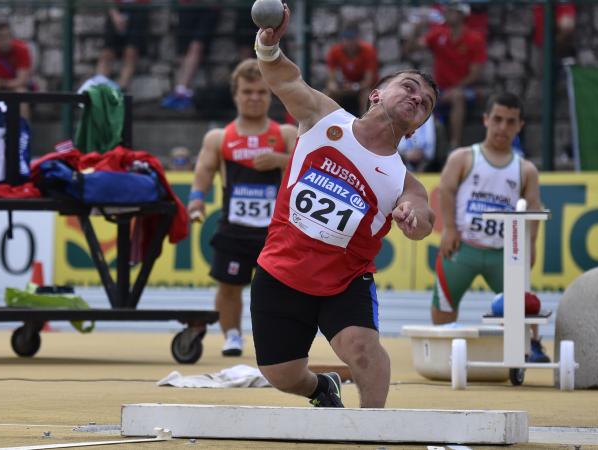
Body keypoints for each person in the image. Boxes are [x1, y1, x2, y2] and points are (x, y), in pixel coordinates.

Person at [252, 5, 438, 408]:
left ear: (419, 126)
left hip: (343, 280)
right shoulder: (324, 118)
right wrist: (268, 46)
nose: (417, 97)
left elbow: (424, 216)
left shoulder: (402, 179)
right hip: (282, 268)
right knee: (280, 373)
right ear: (376, 93)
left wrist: (412, 218)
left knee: (363, 350)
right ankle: (322, 389)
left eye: (425, 102)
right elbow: (285, 79)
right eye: (409, 87)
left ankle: (372, 434)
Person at [187, 59, 298, 357]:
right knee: (228, 286)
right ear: (236, 95)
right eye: (247, 91)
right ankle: (232, 336)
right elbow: (204, 171)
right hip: (234, 228)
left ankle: (276, 340)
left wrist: (279, 161)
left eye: (261, 92)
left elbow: (309, 169)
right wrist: (196, 199)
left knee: (279, 290)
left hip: (274, 230)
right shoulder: (220, 137)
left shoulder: (285, 134)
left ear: (269, 96)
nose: (254, 98)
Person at [433, 92, 550, 363]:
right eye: (497, 119)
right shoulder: (463, 157)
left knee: (522, 306)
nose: (502, 127)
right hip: (464, 247)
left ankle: (531, 345)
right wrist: (449, 228)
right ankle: (441, 349)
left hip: (504, 254)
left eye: (511, 122)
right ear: (486, 120)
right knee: (443, 306)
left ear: (520, 126)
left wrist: (530, 245)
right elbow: (446, 192)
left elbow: (533, 209)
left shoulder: (526, 169)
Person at [404, 2, 486, 150]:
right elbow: (410, 49)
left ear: (462, 15)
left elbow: (475, 74)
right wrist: (416, 29)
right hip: (441, 89)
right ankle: (415, 147)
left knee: (457, 96)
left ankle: (454, 145)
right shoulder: (438, 34)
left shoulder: (474, 39)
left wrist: (455, 88)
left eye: (452, 11)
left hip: (465, 89)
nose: (447, 13)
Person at [161, 3, 221, 110]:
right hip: (187, 6)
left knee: (196, 46)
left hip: (208, 7)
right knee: (184, 50)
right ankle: (180, 89)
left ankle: (181, 90)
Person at [325, 24, 379, 117]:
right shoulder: (335, 52)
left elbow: (368, 81)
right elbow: (331, 80)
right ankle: (328, 124)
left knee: (366, 96)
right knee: (328, 94)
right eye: (346, 38)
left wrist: (354, 87)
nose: (349, 42)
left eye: (352, 38)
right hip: (347, 86)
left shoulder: (368, 51)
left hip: (364, 88)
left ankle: (365, 123)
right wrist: (334, 87)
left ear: (358, 39)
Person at [96, 1, 149, 91]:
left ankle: (120, 90)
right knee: (107, 52)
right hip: (117, 8)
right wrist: (114, 14)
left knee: (131, 52)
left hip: (139, 9)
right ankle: (99, 89)